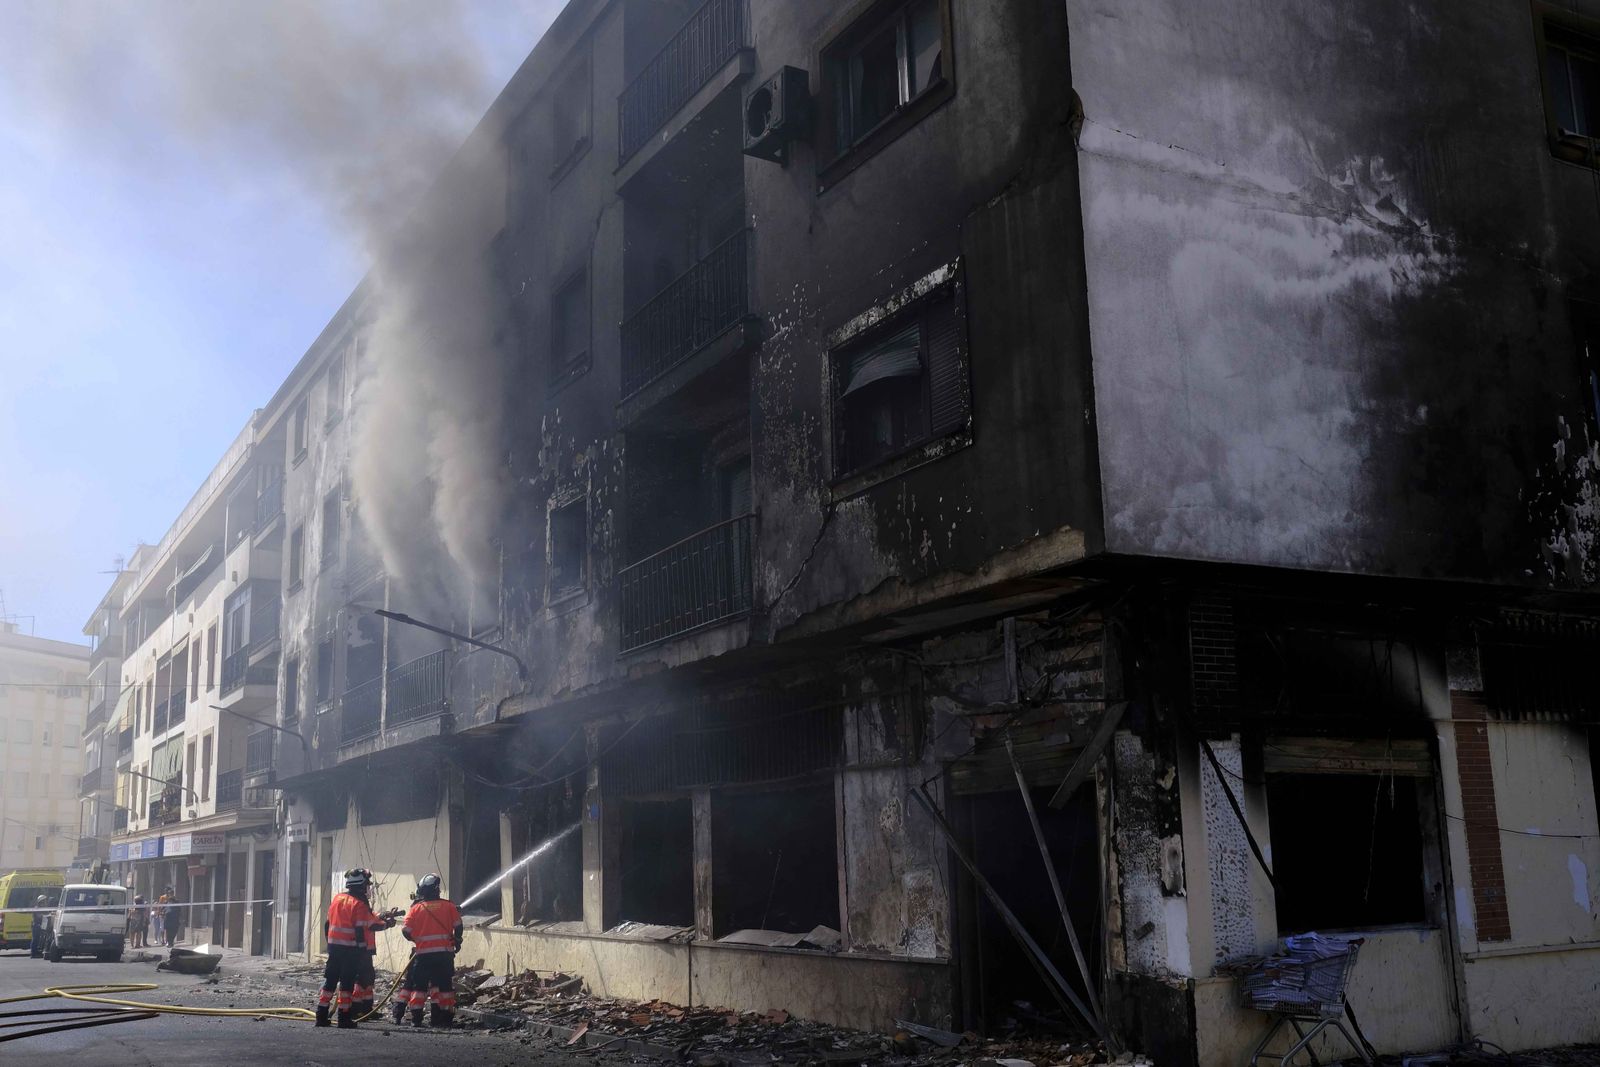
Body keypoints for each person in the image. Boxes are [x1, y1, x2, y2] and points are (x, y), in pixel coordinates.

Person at [315, 868, 383, 1029]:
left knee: (330, 982)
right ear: (361, 886)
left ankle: (321, 1016)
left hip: (334, 949)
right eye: (366, 885)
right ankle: (344, 1018)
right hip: (350, 950)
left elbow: (327, 924)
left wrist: (330, 943)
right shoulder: (359, 904)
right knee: (346, 984)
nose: (367, 889)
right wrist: (361, 950)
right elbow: (360, 930)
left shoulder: (337, 898)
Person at [400, 873, 462, 1028]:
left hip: (423, 956)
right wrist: (457, 940)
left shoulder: (416, 909)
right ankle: (444, 1018)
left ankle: (416, 1019)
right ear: (437, 889)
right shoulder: (449, 906)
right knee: (445, 987)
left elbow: (406, 930)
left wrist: (416, 940)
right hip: (444, 955)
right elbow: (458, 926)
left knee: (419, 987)